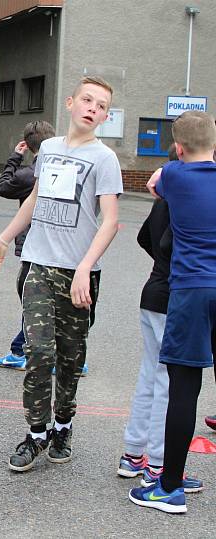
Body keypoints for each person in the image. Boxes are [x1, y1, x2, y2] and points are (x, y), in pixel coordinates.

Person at [0, 76, 122, 472]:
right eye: (87, 100)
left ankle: (63, 425)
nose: (92, 108)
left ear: (106, 116)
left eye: (100, 105)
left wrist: (83, 268)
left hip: (79, 274)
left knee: (71, 357)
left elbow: (110, 221)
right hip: (40, 266)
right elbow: (34, 199)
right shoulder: (51, 150)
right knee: (39, 352)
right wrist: (4, 238)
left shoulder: (104, 159)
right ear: (71, 103)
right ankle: (36, 433)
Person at [129, 110, 216, 514]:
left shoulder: (175, 176)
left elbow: (156, 180)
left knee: (184, 388)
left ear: (179, 148)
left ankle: (168, 487)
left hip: (191, 291)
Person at [116, 145, 202, 494]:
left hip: (152, 292)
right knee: (169, 383)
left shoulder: (165, 197)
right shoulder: (188, 198)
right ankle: (159, 464)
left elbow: (144, 238)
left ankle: (133, 453)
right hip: (171, 297)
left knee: (150, 376)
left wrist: (161, 265)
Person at [0, 120, 56, 371]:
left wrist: (14, 158)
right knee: (51, 300)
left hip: (34, 245)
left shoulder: (30, 174)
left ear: (28, 146)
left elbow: (3, 187)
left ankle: (20, 351)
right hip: (61, 246)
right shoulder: (64, 169)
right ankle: (69, 356)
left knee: (34, 300)